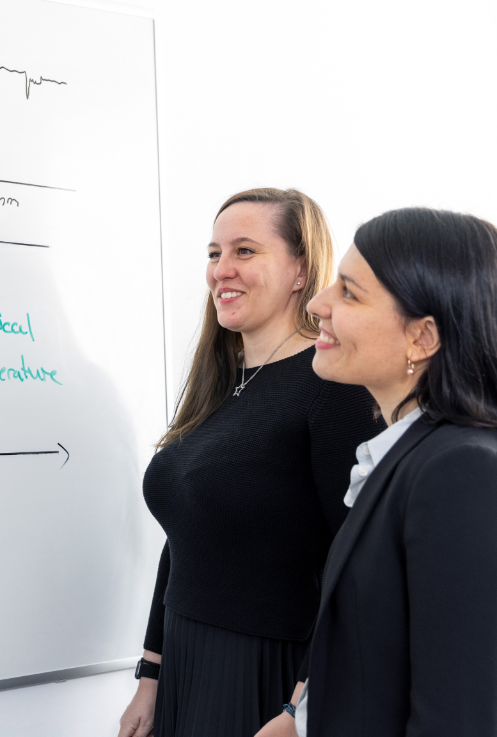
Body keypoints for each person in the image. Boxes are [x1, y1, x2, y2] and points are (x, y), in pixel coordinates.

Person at [118, 188, 383, 737]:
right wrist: (151, 674)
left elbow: (358, 558)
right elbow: (186, 536)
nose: (222, 270)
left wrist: (300, 705)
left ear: (300, 270)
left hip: (265, 675)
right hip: (185, 662)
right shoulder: (219, 382)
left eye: (245, 250)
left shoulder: (331, 384)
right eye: (214, 253)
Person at [273, 208, 497, 736]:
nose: (318, 304)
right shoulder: (406, 458)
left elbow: (458, 718)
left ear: (422, 338)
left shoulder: (459, 471)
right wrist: (298, 721)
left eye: (349, 293)